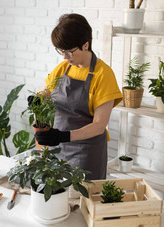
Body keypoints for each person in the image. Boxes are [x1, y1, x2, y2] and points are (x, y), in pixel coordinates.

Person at [33, 13, 122, 180]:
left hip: (86, 152)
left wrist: (63, 136)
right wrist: (36, 98)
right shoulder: (63, 68)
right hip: (57, 147)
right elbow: (43, 92)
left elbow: (99, 126)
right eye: (61, 51)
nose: (64, 57)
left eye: (69, 52)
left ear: (85, 45)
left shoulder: (104, 75)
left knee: (83, 200)